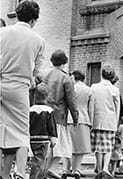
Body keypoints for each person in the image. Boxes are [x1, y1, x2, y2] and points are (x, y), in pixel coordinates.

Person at [0, 1, 45, 178]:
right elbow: (36, 71)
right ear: (34, 20)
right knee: (21, 131)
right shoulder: (38, 40)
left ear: (17, 15)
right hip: (19, 86)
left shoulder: (2, 33)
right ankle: (19, 173)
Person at [43, 50, 78, 179]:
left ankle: (44, 169)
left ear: (51, 60)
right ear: (64, 63)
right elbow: (71, 100)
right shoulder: (66, 78)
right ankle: (51, 168)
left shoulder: (42, 74)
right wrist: (75, 118)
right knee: (59, 144)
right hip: (58, 115)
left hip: (41, 114)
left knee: (44, 143)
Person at [89, 64, 120, 179]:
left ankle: (99, 169)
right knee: (108, 146)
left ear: (101, 74)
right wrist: (116, 123)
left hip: (97, 120)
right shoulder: (115, 89)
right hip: (110, 121)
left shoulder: (94, 87)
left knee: (98, 146)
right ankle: (106, 168)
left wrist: (91, 121)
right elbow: (118, 108)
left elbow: (91, 105)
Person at [68, 70, 93, 179]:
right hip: (83, 118)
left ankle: (66, 169)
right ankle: (77, 169)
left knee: (69, 146)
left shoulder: (70, 88)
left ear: (74, 77)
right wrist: (91, 121)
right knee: (80, 147)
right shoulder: (89, 90)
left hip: (69, 118)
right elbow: (91, 107)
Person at [29, 83, 57, 179]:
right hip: (43, 139)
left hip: (32, 138)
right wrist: (53, 138)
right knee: (41, 159)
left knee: (36, 158)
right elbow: (51, 126)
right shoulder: (49, 110)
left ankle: (39, 175)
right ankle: (35, 176)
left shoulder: (30, 110)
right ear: (47, 96)